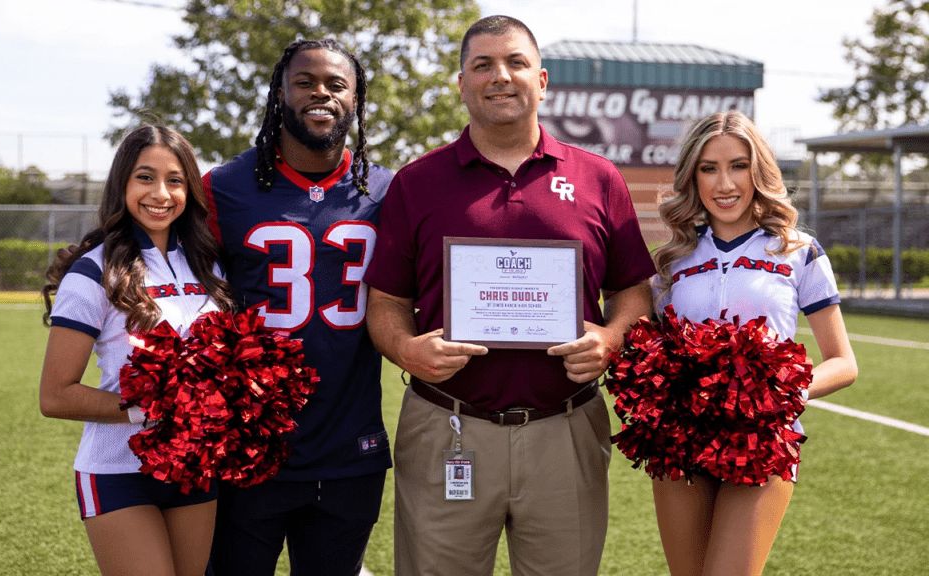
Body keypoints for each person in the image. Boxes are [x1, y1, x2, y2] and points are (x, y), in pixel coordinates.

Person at [363, 16, 655, 576]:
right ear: (461, 83)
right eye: (483, 65)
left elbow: (632, 289)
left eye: (516, 62)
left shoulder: (598, 178)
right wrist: (405, 350)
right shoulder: (417, 181)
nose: (501, 76)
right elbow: (386, 302)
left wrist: (613, 339)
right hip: (447, 425)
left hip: (565, 427)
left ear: (541, 80)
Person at [203, 39, 393, 576]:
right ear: (279, 92)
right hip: (249, 444)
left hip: (350, 445)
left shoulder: (386, 190)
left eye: (337, 85)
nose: (321, 94)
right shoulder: (223, 187)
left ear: (355, 100)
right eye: (306, 81)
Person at [649, 110, 858, 576]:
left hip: (762, 440)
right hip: (682, 442)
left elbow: (843, 363)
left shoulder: (798, 250)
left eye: (738, 165)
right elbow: (652, 356)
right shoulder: (671, 261)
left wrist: (779, 392)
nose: (724, 183)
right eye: (709, 168)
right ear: (692, 177)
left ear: (758, 170)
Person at [39, 124, 234, 576]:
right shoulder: (93, 272)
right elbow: (56, 395)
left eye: (175, 180)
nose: (160, 193)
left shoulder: (210, 267)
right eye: (145, 177)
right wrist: (149, 409)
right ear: (122, 183)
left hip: (195, 468)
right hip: (117, 473)